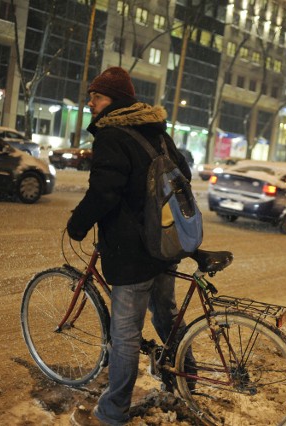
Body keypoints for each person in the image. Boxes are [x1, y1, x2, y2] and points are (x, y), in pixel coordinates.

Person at [67, 67, 192, 425]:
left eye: (98, 96)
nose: (91, 102)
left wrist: (77, 225)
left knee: (125, 335)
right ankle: (185, 380)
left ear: (116, 102)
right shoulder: (156, 131)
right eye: (91, 95)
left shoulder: (112, 136)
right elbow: (183, 174)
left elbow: (104, 191)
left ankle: (111, 413)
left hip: (132, 252)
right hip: (164, 244)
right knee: (166, 315)